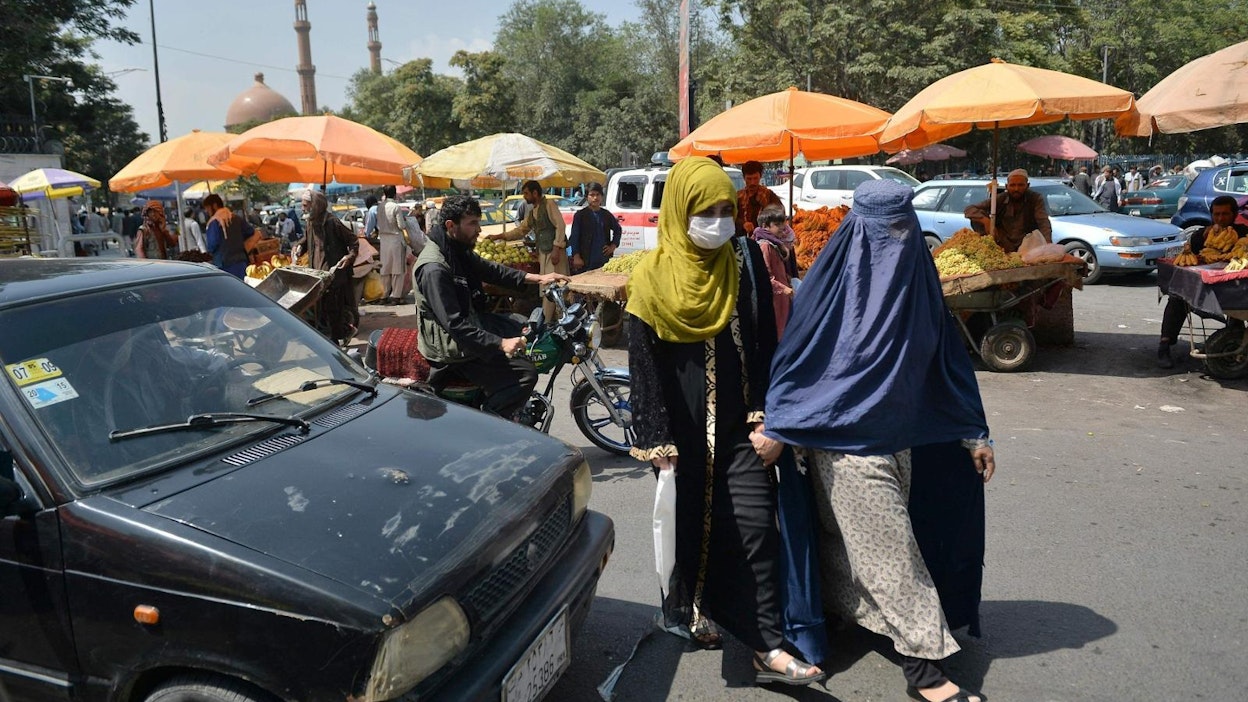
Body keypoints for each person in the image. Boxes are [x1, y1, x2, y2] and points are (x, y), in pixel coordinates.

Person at [761, 178, 993, 702]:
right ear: (859, 228)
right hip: (841, 445)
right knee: (892, 553)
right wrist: (781, 423)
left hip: (901, 439)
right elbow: (799, 360)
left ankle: (843, 617)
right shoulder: (830, 285)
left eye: (903, 226)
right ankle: (926, 669)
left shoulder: (919, 283)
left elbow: (946, 359)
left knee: (852, 546)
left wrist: (975, 431)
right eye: (883, 229)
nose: (896, 239)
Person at [626, 156, 825, 688]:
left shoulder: (743, 263)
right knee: (689, 528)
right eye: (705, 210)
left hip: (741, 426)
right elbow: (642, 367)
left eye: (724, 210)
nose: (718, 221)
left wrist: (769, 419)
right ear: (680, 211)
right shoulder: (648, 278)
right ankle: (695, 611)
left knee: (757, 528)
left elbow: (764, 344)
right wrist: (656, 438)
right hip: (680, 432)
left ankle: (766, 644)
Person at [412, 195, 568, 419]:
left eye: (479, 221)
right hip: (450, 346)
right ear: (450, 225)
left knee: (524, 328)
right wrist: (501, 343)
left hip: (470, 321)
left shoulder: (456, 249)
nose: (479, 229)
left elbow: (490, 270)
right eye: (472, 223)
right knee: (525, 374)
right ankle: (492, 420)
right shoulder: (434, 268)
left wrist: (537, 278)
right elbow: (454, 324)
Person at [1156, 195, 1248, 368]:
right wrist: (1200, 241)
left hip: (1230, 286)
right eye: (1217, 214)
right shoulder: (1201, 235)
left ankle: (1234, 338)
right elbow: (1190, 256)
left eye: (1225, 214)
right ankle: (1164, 345)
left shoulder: (1243, 234)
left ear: (1234, 214)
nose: (1220, 219)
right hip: (1200, 285)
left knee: (1241, 303)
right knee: (1177, 297)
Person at [486, 180, 570, 321]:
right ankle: (551, 321)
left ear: (535, 193)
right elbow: (521, 230)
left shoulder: (549, 205)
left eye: (526, 193)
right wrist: (499, 236)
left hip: (554, 254)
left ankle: (551, 321)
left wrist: (557, 247)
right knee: (547, 288)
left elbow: (560, 226)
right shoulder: (532, 213)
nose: (524, 197)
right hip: (543, 254)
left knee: (554, 287)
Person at [294, 190, 358, 344]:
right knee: (321, 311)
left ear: (314, 205)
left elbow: (353, 241)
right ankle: (330, 338)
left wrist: (349, 257)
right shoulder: (311, 222)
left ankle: (337, 338)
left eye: (305, 205)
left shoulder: (332, 222)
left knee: (333, 310)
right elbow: (307, 240)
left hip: (333, 275)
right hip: (317, 274)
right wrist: (299, 247)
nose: (302, 209)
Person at [964, 168, 1052, 253]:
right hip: (1003, 244)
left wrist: (1048, 245)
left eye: (1020, 185)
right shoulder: (1001, 199)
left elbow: (1043, 222)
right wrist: (987, 221)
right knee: (977, 219)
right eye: (1012, 185)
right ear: (1007, 186)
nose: (1016, 189)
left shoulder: (1035, 198)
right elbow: (969, 209)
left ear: (1027, 186)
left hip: (1027, 243)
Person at [751, 204, 797, 338]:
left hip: (782, 298)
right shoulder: (765, 246)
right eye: (777, 225)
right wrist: (783, 289)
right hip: (775, 299)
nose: (782, 229)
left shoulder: (775, 244)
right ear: (765, 226)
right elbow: (765, 276)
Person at [569, 182, 622, 273]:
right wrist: (576, 257)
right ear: (586, 197)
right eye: (592, 195)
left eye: (598, 195)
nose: (595, 198)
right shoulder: (580, 215)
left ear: (602, 196)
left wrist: (612, 246)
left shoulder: (606, 215)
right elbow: (574, 237)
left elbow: (618, 230)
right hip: (585, 261)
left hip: (603, 260)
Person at [373, 185, 411, 306]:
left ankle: (384, 296)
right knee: (397, 269)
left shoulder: (379, 207)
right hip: (395, 239)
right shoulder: (395, 207)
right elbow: (401, 225)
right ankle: (396, 296)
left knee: (385, 269)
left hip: (383, 240)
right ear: (394, 194)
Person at [203, 194, 252, 278]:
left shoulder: (214, 222)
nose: (207, 211)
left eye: (207, 208)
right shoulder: (236, 218)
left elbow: (212, 245)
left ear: (214, 205)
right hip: (241, 262)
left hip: (224, 265)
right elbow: (250, 232)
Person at [736, 160, 783, 236]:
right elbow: (732, 217)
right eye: (749, 179)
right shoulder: (739, 196)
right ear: (744, 178)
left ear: (760, 176)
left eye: (755, 178)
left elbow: (780, 213)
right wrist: (743, 224)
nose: (752, 182)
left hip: (765, 239)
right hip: (743, 239)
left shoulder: (768, 194)